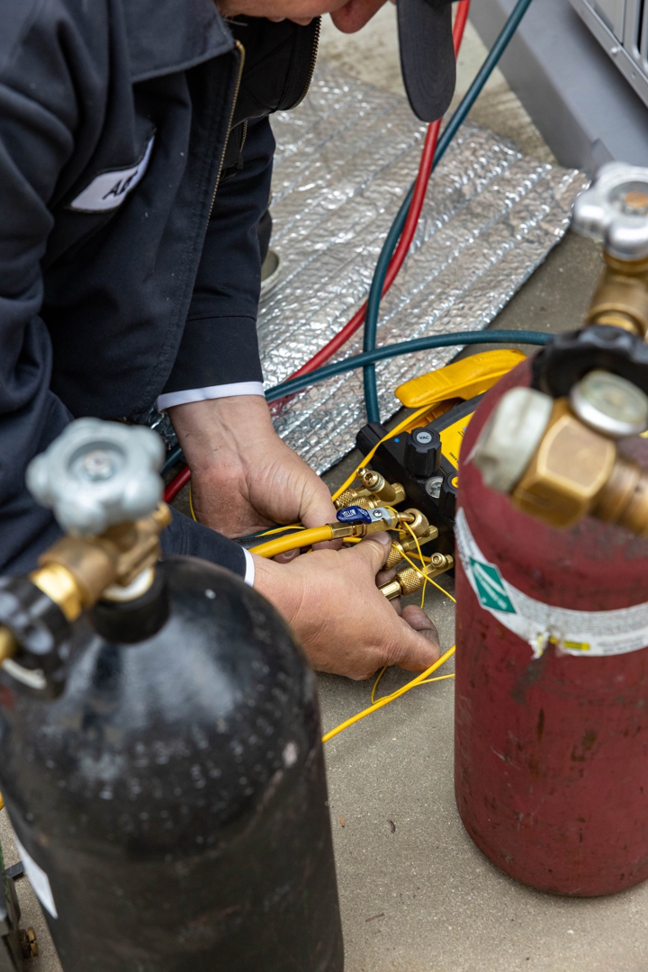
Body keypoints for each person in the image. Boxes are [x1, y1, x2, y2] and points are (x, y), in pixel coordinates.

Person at [0, 0, 458, 679]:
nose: (354, 21)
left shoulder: (252, 11)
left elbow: (217, 169)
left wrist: (228, 440)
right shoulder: (25, 49)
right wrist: (271, 606)